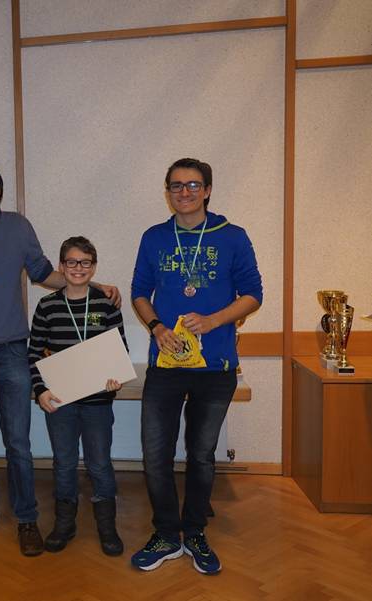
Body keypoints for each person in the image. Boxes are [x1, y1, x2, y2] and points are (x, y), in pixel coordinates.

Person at [0, 160, 121, 557]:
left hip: (12, 349)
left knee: (18, 440)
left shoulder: (18, 227)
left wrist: (92, 283)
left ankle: (27, 518)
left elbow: (43, 273)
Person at [130, 158, 263, 575]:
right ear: (167, 192)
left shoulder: (233, 236)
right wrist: (155, 327)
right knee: (155, 453)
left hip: (215, 366)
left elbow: (253, 294)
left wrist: (213, 320)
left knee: (202, 455)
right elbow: (139, 291)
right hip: (166, 365)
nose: (184, 192)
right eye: (176, 185)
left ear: (207, 190)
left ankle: (195, 532)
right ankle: (167, 534)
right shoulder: (154, 237)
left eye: (192, 185)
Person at [28, 236, 128, 556]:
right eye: (71, 262)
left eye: (85, 262)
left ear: (93, 267)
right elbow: (32, 355)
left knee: (100, 464)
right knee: (64, 463)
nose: (78, 268)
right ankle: (64, 523)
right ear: (61, 266)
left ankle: (107, 526)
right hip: (61, 403)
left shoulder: (105, 304)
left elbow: (120, 350)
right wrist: (40, 390)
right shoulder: (47, 306)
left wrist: (116, 378)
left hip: (98, 402)